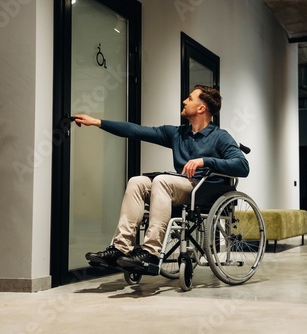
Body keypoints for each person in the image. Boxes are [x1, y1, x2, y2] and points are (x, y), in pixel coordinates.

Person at [74, 85, 249, 270]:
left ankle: (151, 252)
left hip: (204, 191)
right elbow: (135, 130)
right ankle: (120, 248)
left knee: (161, 181)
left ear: (201, 108)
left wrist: (206, 161)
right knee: (137, 181)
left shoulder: (220, 137)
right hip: (180, 188)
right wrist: (97, 122)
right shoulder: (177, 134)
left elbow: (242, 166)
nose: (184, 101)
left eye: (189, 98)